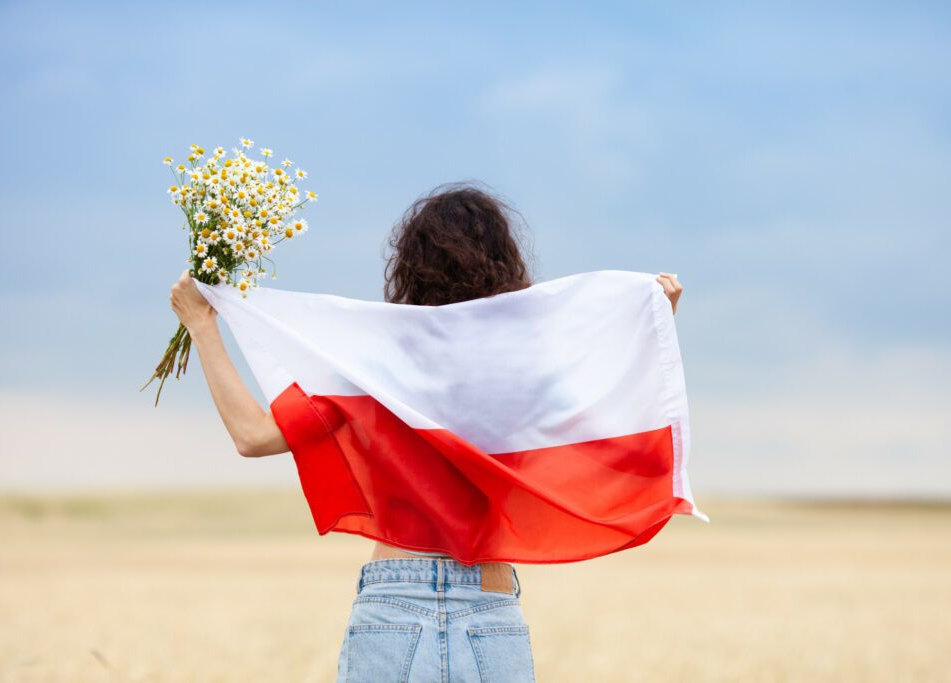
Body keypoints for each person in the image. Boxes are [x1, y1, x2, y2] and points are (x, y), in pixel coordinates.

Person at [169, 181, 683, 682]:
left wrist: (202, 325)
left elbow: (253, 437)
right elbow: (623, 436)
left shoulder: (374, 365)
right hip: (490, 604)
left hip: (393, 605)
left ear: (409, 266)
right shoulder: (528, 373)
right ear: (506, 263)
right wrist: (654, 326)